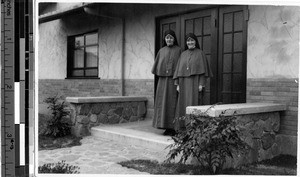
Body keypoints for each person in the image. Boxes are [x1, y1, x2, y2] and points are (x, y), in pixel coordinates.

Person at [173, 33, 213, 130]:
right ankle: (182, 127)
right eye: (188, 41)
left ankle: (194, 128)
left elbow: (203, 72)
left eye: (192, 40)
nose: (190, 42)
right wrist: (177, 84)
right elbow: (179, 70)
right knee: (182, 105)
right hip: (183, 83)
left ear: (195, 41)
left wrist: (201, 84)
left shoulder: (200, 53)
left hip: (195, 83)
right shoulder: (183, 54)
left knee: (194, 104)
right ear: (186, 43)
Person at [151, 30, 182, 136]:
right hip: (162, 82)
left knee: (173, 104)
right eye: (167, 38)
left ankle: (174, 127)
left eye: (171, 38)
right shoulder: (161, 51)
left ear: (174, 39)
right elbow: (156, 68)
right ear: (165, 39)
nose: (169, 40)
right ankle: (165, 127)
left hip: (174, 82)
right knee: (163, 104)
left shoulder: (179, 50)